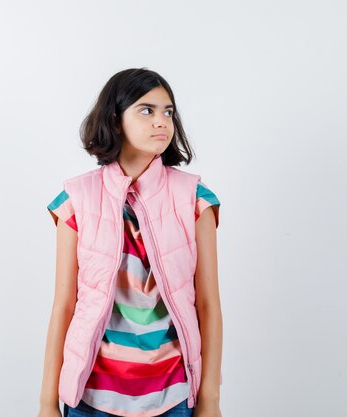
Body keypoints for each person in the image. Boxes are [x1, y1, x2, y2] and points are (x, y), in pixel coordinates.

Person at [38, 68, 223, 417]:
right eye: (146, 110)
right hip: (90, 398)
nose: (162, 122)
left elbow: (208, 305)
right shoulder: (76, 199)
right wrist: (47, 402)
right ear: (115, 119)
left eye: (168, 112)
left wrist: (210, 399)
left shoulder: (195, 199)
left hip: (173, 397)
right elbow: (64, 305)